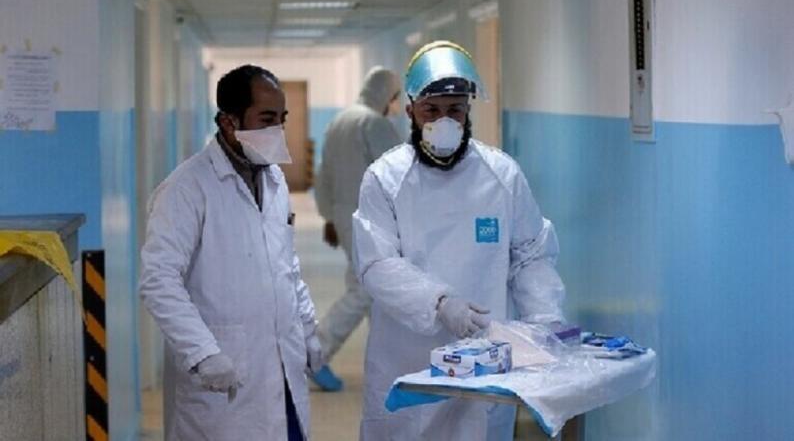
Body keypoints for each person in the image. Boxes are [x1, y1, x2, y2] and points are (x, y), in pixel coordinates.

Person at [352, 41, 567, 440]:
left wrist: (544, 321)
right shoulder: (385, 178)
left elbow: (531, 254)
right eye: (431, 110)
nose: (444, 121)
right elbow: (378, 264)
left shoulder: (501, 175)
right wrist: (439, 303)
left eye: (454, 110)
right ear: (410, 110)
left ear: (469, 109)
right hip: (408, 355)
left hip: (485, 357)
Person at [139, 65, 322, 441]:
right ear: (228, 122)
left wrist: (307, 329)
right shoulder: (186, 189)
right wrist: (203, 353)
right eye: (266, 119)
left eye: (282, 119)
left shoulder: (274, 179)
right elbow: (159, 280)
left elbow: (287, 266)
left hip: (281, 369)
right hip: (224, 372)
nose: (278, 130)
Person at [311, 66, 402, 391]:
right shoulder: (374, 124)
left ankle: (389, 362)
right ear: (387, 95)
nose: (396, 105)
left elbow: (323, 174)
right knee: (366, 290)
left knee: (371, 290)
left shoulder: (340, 120)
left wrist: (329, 217)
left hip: (346, 215)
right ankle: (316, 351)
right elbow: (398, 175)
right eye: (396, 98)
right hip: (370, 220)